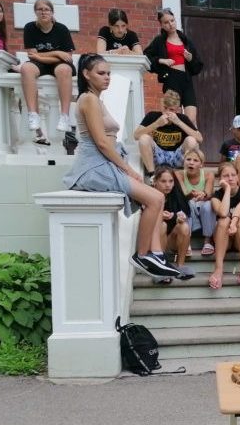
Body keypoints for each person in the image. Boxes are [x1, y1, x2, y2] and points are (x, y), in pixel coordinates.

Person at [62, 54, 183, 280]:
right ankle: (142, 256)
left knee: (156, 199)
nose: (107, 77)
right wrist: (127, 169)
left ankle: (156, 255)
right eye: (101, 73)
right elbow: (101, 143)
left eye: (108, 73)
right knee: (155, 198)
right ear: (86, 74)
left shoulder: (96, 99)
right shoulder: (88, 99)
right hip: (95, 165)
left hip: (105, 162)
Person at [20, 0, 75, 143]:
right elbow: (32, 55)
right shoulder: (30, 28)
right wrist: (57, 53)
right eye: (40, 9)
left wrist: (40, 56)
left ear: (52, 12)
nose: (43, 12)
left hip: (59, 64)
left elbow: (68, 57)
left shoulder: (61, 29)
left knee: (64, 70)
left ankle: (64, 116)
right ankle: (33, 114)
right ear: (35, 12)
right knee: (26, 68)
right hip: (40, 63)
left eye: (47, 9)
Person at [144, 8, 203, 127]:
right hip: (171, 78)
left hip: (186, 79)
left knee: (191, 119)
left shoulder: (185, 40)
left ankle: (193, 139)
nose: (170, 24)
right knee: (171, 116)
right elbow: (146, 56)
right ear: (161, 25)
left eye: (172, 20)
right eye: (166, 22)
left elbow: (198, 65)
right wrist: (162, 60)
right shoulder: (160, 40)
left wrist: (190, 59)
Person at [207, 162, 240, 289]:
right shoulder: (216, 196)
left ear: (238, 177)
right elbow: (223, 212)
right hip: (224, 240)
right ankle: (218, 269)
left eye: (233, 175)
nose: (230, 178)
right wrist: (227, 190)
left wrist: (233, 224)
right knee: (223, 220)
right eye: (226, 176)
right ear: (220, 179)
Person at [133, 89, 202, 175]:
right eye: (165, 108)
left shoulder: (183, 118)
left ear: (177, 110)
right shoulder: (152, 116)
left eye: (171, 109)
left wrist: (179, 122)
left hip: (178, 156)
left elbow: (200, 139)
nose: (167, 112)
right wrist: (156, 124)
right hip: (158, 155)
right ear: (162, 105)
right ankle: (152, 175)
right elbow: (136, 136)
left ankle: (185, 174)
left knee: (191, 140)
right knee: (144, 138)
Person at [151, 167, 192, 279]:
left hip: (170, 240)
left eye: (171, 181)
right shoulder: (149, 195)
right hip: (152, 242)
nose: (168, 185)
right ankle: (161, 267)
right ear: (155, 181)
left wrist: (180, 219)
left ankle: (180, 266)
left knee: (184, 226)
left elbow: (183, 214)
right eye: (163, 181)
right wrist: (159, 216)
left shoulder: (176, 196)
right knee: (162, 225)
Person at [172, 148, 216, 250]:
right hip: (188, 206)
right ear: (184, 162)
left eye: (195, 160)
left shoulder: (209, 175)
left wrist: (203, 194)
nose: (191, 163)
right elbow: (184, 194)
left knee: (209, 205)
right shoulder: (178, 174)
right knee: (188, 203)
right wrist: (192, 195)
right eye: (188, 159)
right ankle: (186, 242)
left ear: (201, 165)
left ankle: (207, 241)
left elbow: (208, 193)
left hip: (203, 208)